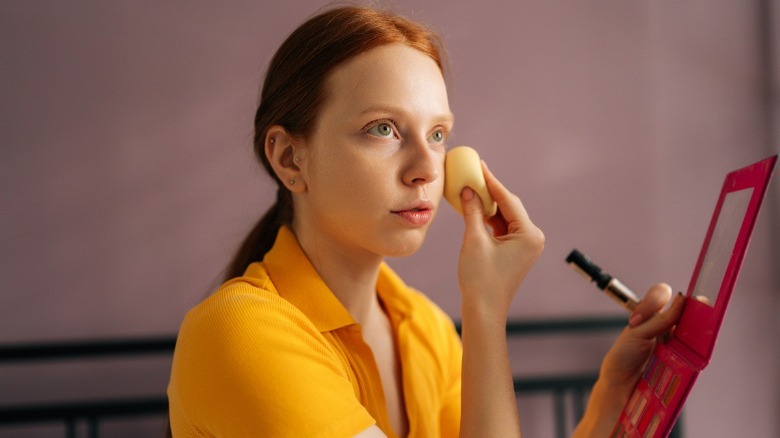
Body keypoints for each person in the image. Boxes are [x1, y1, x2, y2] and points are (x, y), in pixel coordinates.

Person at [166, 5, 686, 437]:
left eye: (438, 134)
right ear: (289, 160)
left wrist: (611, 396)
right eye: (383, 128)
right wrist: (485, 310)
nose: (425, 169)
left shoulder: (424, 329)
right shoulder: (240, 332)